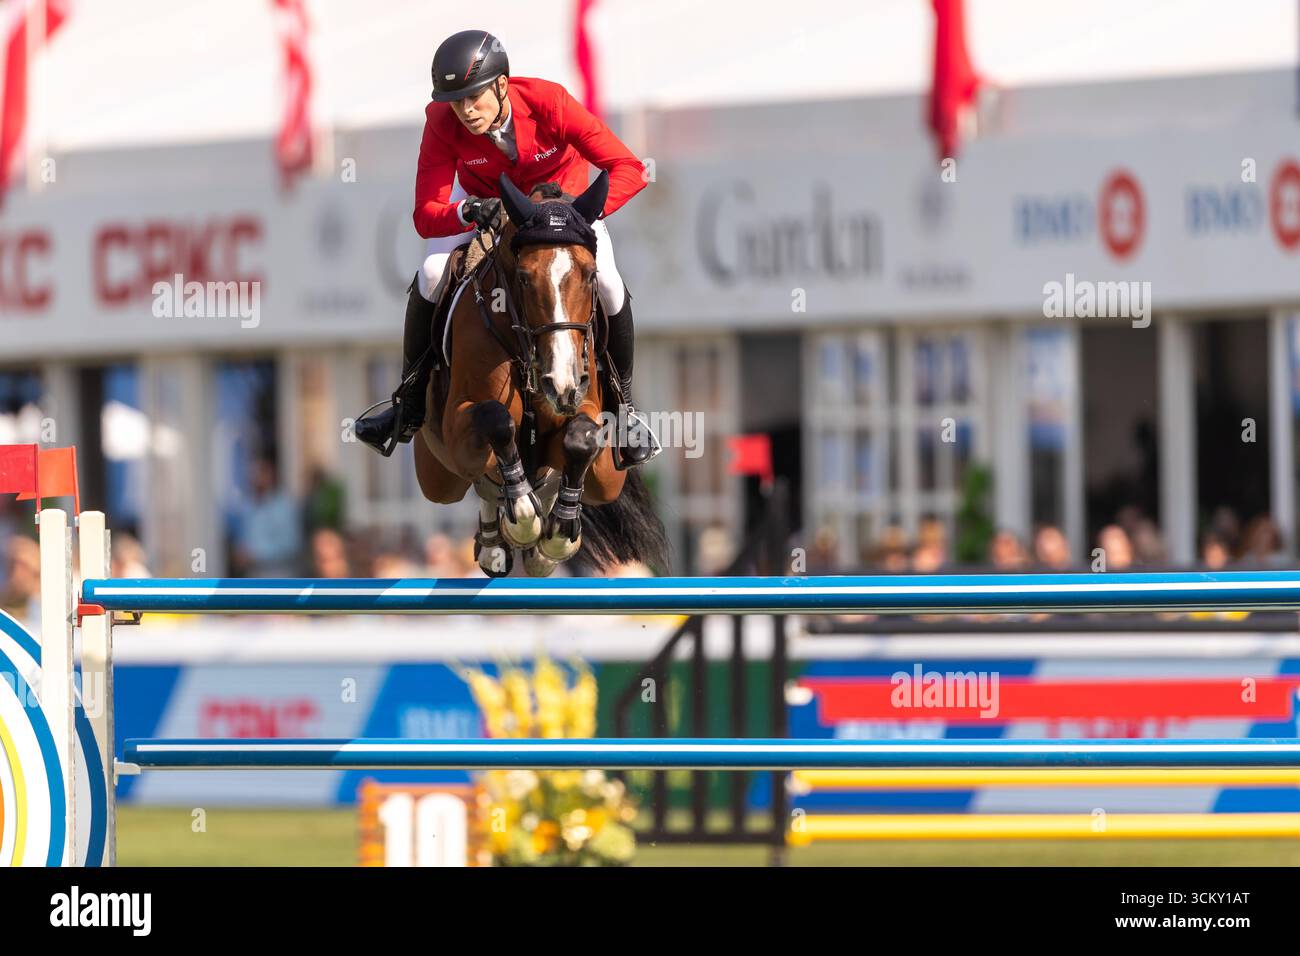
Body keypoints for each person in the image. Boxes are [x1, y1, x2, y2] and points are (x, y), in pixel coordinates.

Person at [356, 29, 658, 467]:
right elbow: (426, 213)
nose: (465, 111)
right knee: (433, 272)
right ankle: (410, 399)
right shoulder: (442, 123)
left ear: (501, 85)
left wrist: (578, 214)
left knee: (608, 283)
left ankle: (624, 408)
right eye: (456, 100)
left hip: (565, 211)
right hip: (491, 208)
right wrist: (466, 211)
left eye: (473, 98)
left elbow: (629, 168)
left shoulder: (549, 102)